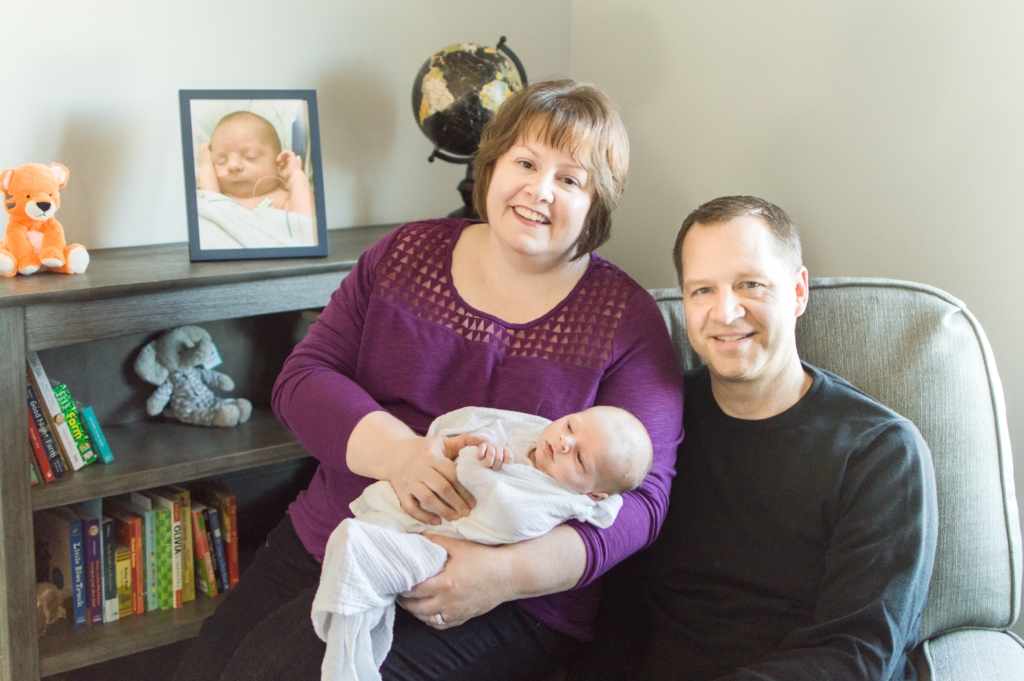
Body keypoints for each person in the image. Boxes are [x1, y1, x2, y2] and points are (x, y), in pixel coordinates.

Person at [172, 78, 684, 681]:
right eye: (525, 162)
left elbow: (643, 503)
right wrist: (403, 456)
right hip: (344, 531)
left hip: (505, 595)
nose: (538, 190)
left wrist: (502, 575)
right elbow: (304, 377)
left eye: (570, 179)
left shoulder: (626, 320)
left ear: (596, 203)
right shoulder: (404, 255)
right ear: (491, 166)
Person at [574, 195, 939, 681]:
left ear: (798, 291)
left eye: (750, 284)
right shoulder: (655, 431)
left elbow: (858, 654)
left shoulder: (882, 451)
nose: (725, 312)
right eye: (702, 290)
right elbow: (615, 613)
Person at [313, 405, 653, 681]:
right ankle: (351, 649)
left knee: (356, 545)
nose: (565, 442)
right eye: (569, 426)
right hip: (411, 525)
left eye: (579, 458)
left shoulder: (557, 499)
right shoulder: (531, 435)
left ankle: (347, 667)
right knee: (351, 545)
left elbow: (504, 512)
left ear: (593, 493)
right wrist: (480, 441)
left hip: (442, 559)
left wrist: (481, 461)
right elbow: (477, 424)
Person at [198, 111, 314, 216]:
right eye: (220, 161)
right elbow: (208, 194)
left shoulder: (282, 198)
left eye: (250, 156)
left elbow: (305, 221)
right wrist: (206, 162)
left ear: (279, 164)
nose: (233, 166)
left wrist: (295, 176)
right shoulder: (220, 198)